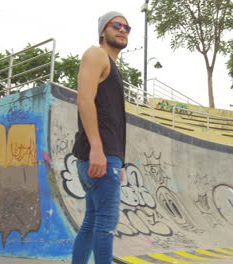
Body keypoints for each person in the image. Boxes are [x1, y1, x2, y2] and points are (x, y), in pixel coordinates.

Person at [71, 11, 130, 264]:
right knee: (106, 222)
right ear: (102, 31)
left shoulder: (112, 66)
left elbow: (112, 119)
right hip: (99, 154)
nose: (123, 30)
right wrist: (97, 148)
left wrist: (120, 161)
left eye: (128, 28)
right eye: (116, 25)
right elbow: (84, 99)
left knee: (92, 220)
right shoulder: (96, 54)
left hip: (108, 156)